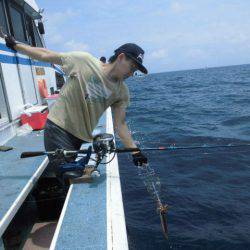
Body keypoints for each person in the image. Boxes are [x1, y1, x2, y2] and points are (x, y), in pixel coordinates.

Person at [1, 29, 148, 175]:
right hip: (59, 127)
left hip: (82, 136)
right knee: (69, 174)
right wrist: (16, 46)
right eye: (132, 67)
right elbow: (46, 55)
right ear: (121, 57)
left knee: (74, 173)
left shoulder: (122, 92)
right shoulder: (83, 61)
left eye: (135, 70)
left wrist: (135, 151)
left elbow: (120, 124)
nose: (132, 73)